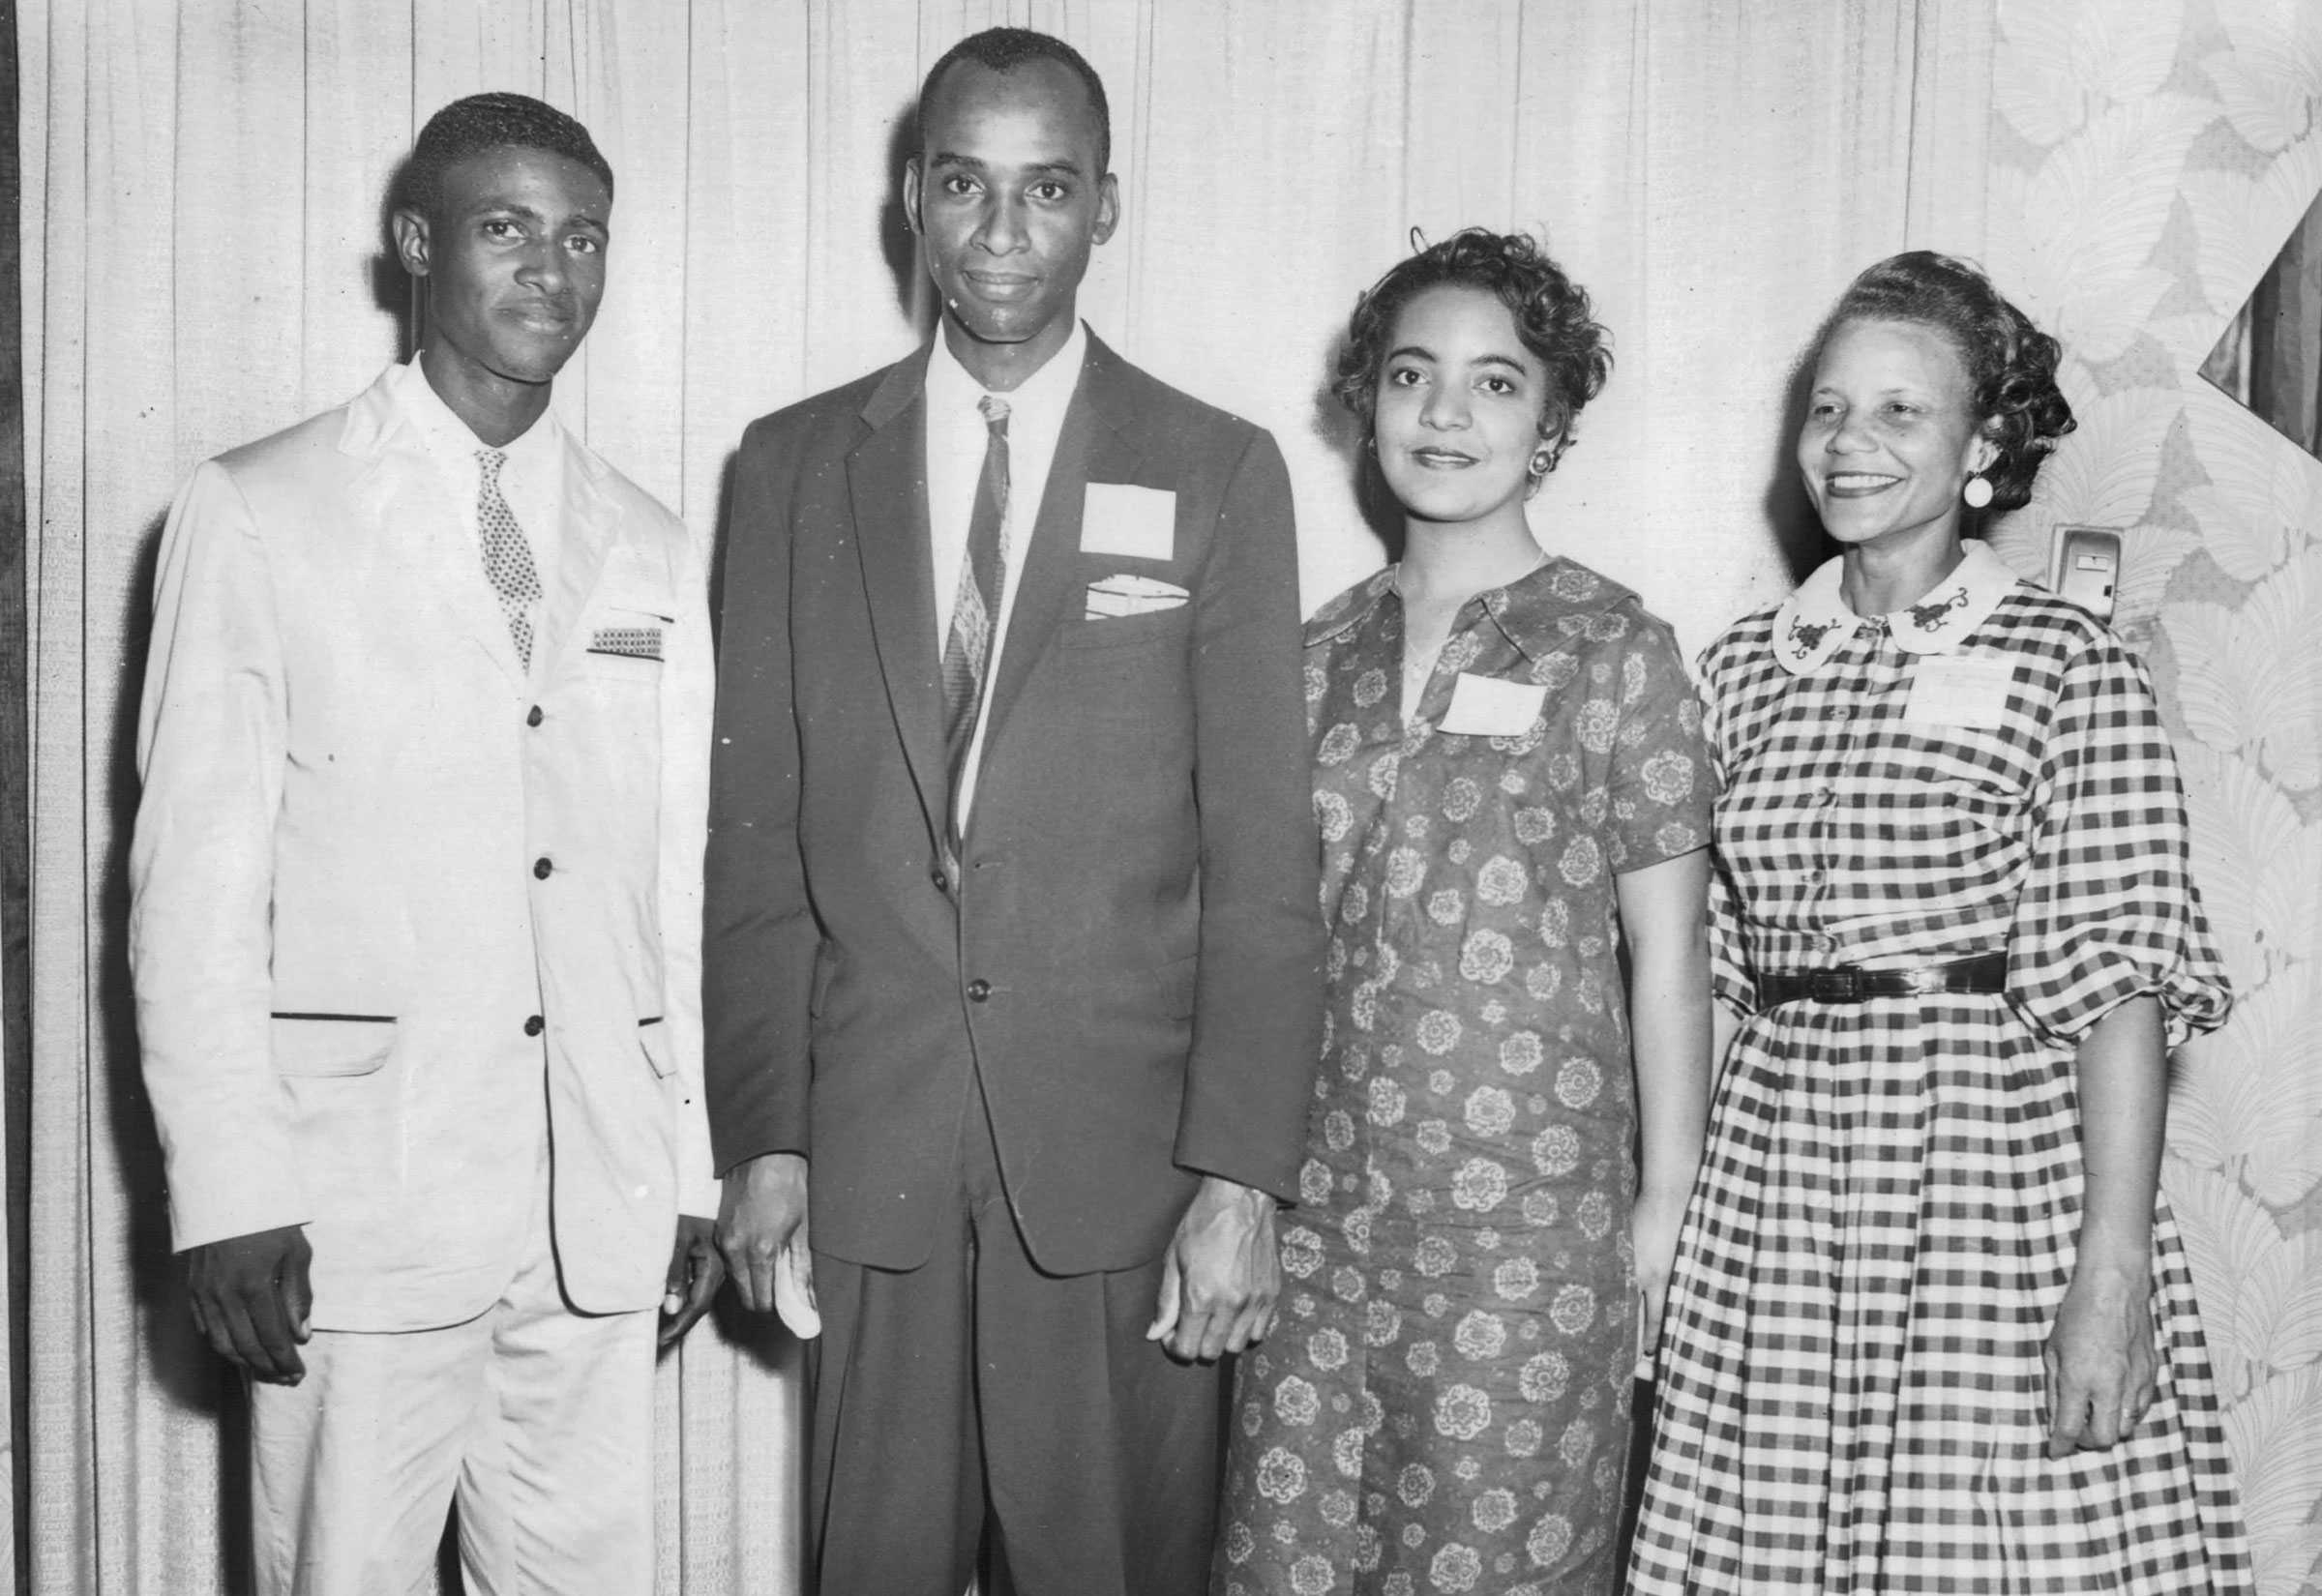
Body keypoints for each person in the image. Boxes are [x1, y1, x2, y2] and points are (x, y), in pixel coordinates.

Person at [702, 27, 1324, 1596]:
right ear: (914, 197)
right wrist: (766, 1136)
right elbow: (759, 840)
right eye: (965, 185)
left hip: (1123, 1185)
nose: (1000, 233)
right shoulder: (788, 468)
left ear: (1105, 206)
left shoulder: (1219, 471)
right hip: (875, 1160)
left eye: (1044, 189)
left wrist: (1242, 1184)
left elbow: (1264, 868)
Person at [127, 93, 722, 1595]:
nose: (551, 270)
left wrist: (688, 1170)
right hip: (352, 1209)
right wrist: (228, 1189)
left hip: (590, 1206)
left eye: (581, 236)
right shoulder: (257, 510)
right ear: (414, 244)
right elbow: (190, 892)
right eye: (505, 227)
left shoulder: (646, 541)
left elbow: (675, 888)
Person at [1629, 251, 2252, 1593]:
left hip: (1989, 1180)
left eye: (1901, 413)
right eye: (1828, 409)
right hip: (1778, 1184)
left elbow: (2120, 985)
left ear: (1982, 444)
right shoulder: (1739, 669)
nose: (1850, 445)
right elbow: (1707, 971)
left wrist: (2113, 1269)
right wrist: (1672, 1217)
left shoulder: (2067, 661)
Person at [1211, 230, 1714, 1596]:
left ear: (1551, 425)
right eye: (1414, 374)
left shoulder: (1615, 648)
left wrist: (1665, 1205)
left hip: (1531, 1249)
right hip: (1318, 1231)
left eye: (1496, 384)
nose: (1446, 412)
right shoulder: (1311, 653)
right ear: (1366, 400)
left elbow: (1672, 959)